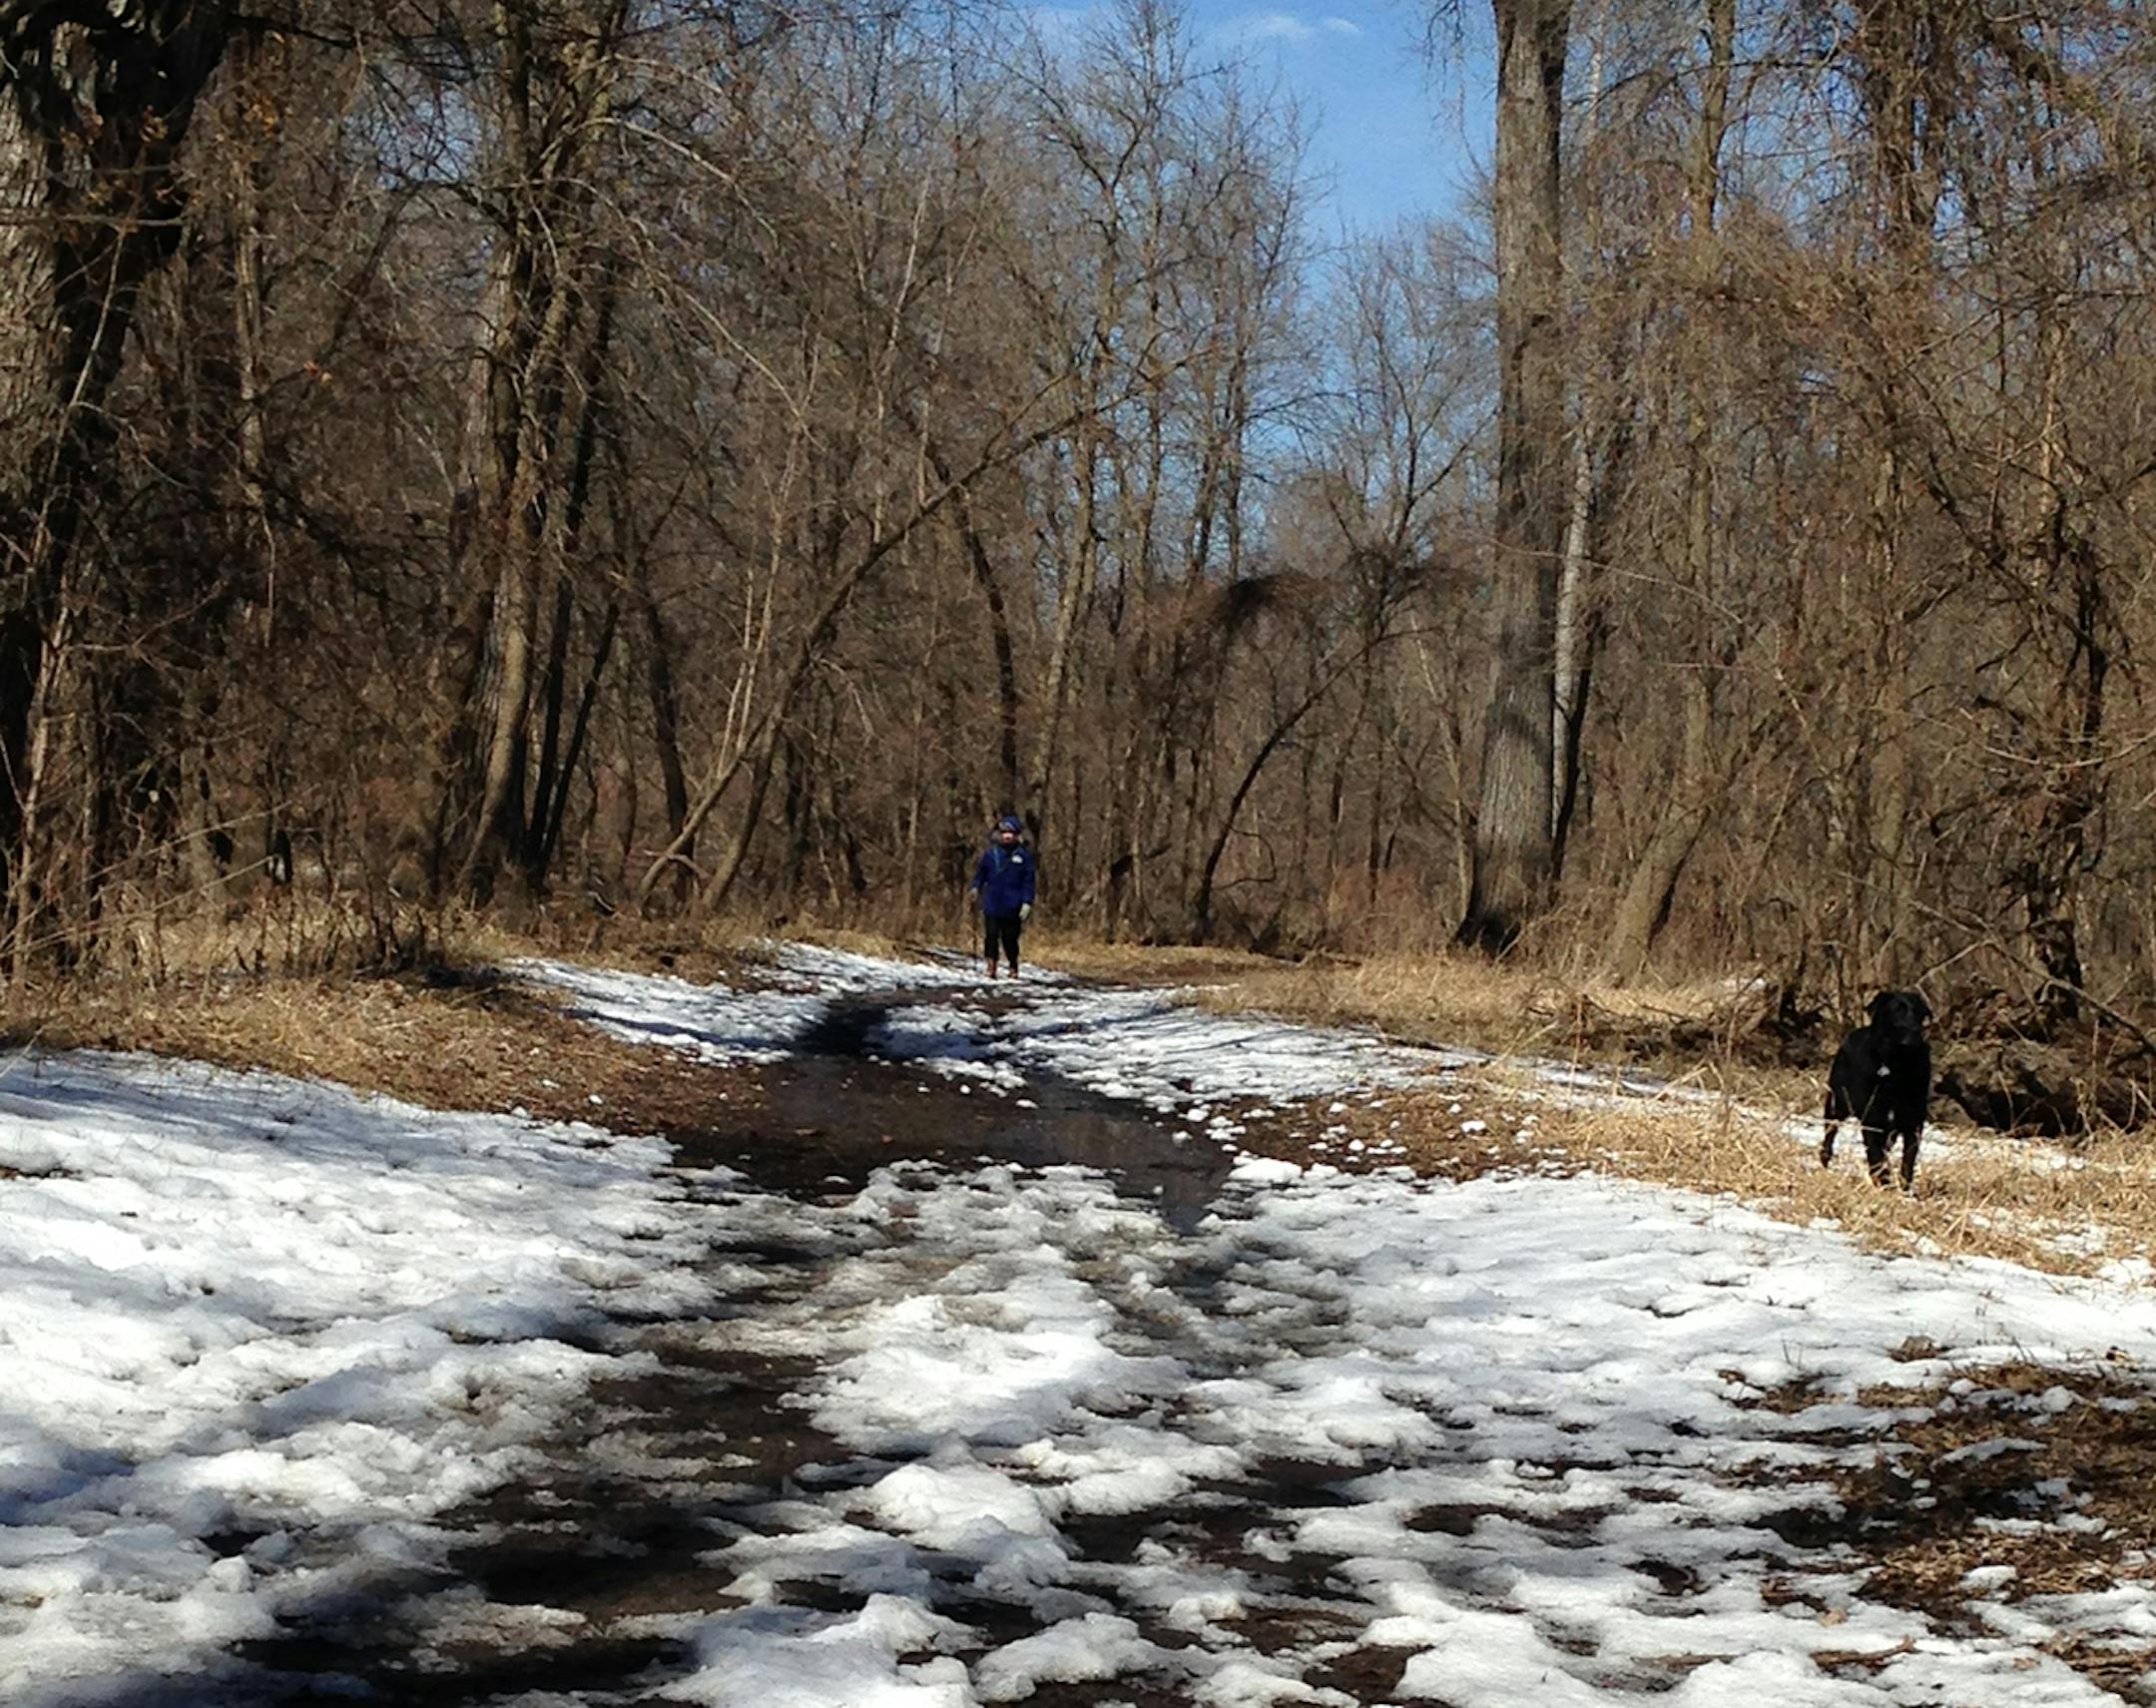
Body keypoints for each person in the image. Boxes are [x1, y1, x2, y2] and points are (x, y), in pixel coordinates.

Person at [967, 814, 1037, 978]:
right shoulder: (990, 855)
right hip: (992, 903)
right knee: (991, 936)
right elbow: (980, 875)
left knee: (1010, 939)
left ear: (1016, 835)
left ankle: (1013, 965)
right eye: (1004, 832)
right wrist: (975, 888)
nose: (1007, 836)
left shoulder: (1024, 857)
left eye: (1010, 833)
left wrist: (1027, 902)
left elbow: (1029, 882)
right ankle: (991, 966)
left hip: (1013, 905)